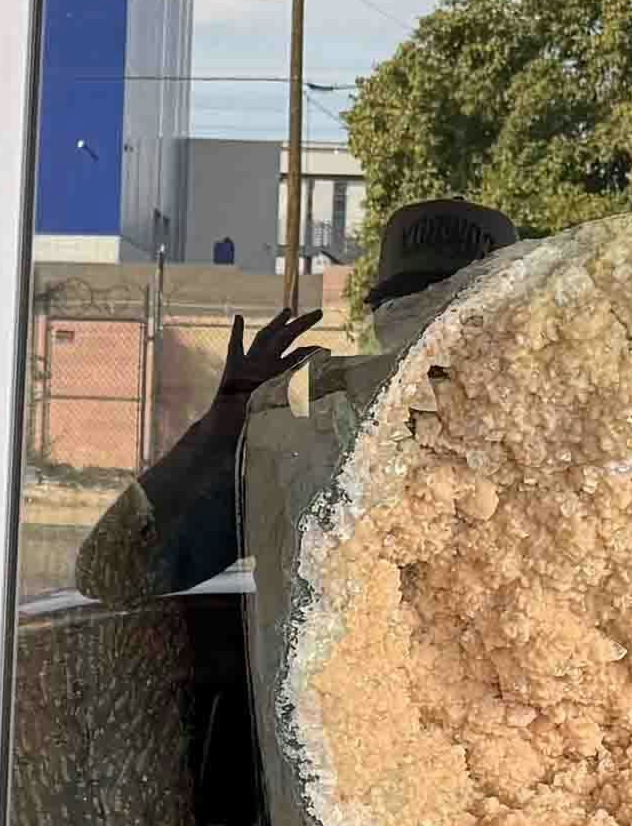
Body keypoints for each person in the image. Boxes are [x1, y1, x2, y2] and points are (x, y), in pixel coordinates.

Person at [78, 198, 520, 607]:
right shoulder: (308, 451)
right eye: (412, 310)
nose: (432, 336)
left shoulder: (550, 463)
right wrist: (225, 429)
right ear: (380, 321)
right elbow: (113, 570)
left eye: (454, 312)